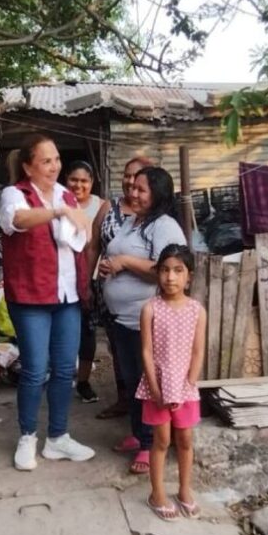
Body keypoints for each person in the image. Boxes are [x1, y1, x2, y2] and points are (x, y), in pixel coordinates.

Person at [0, 134, 96, 471]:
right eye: (46, 161)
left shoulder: (66, 194)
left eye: (56, 159)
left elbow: (78, 237)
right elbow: (19, 221)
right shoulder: (15, 194)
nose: (54, 166)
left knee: (65, 369)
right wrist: (60, 210)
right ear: (28, 166)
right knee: (35, 370)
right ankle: (28, 436)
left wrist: (72, 214)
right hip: (30, 296)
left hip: (66, 295)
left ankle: (58, 437)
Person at [100, 166, 187, 474]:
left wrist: (123, 262)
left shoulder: (164, 226)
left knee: (148, 382)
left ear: (158, 195)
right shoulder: (132, 221)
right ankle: (139, 435)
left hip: (147, 320)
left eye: (141, 189)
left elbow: (169, 269)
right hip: (122, 319)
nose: (132, 193)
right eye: (132, 187)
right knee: (133, 380)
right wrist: (110, 267)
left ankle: (151, 445)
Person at [138, 244, 206, 521]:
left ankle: (184, 490)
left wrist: (188, 383)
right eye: (165, 270)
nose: (170, 277)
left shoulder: (196, 310)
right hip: (157, 384)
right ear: (158, 273)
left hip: (185, 387)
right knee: (162, 440)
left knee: (186, 439)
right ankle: (157, 493)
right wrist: (155, 388)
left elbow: (198, 351)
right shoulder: (151, 309)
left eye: (178, 271)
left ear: (188, 276)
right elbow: (146, 350)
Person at [89, 156, 154, 420]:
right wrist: (87, 282)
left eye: (136, 177)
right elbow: (93, 245)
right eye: (126, 175)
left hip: (143, 300)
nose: (129, 182)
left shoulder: (153, 216)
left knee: (144, 354)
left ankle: (146, 412)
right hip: (109, 295)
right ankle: (124, 400)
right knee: (118, 349)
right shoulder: (108, 207)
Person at [65, 160, 104, 403]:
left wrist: (88, 282)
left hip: (91, 278)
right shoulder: (58, 204)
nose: (79, 185)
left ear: (91, 183)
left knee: (87, 333)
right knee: (63, 331)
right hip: (62, 280)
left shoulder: (100, 207)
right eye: (74, 180)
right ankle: (61, 375)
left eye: (84, 181)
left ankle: (83, 381)